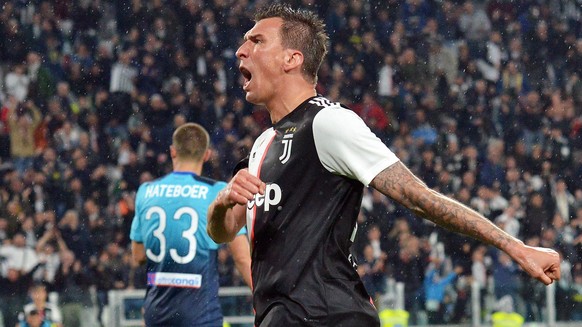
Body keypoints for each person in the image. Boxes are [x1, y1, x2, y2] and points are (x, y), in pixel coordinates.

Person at [206, 4, 561, 327]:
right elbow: (222, 232)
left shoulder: (329, 123)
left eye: (256, 40)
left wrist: (514, 247)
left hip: (327, 315)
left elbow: (417, 196)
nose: (241, 50)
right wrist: (223, 200)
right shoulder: (260, 145)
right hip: (282, 317)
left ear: (292, 59)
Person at [130, 122, 251, 326]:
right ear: (206, 155)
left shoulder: (146, 191)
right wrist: (264, 298)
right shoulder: (218, 192)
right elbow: (241, 258)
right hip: (199, 314)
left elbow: (138, 256)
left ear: (172, 151)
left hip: (156, 312)